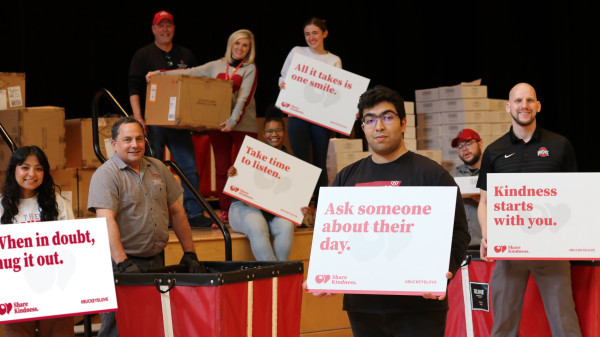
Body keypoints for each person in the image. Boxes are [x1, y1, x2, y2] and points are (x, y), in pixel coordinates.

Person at [329, 86, 470, 336]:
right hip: (364, 307)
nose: (378, 126)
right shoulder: (346, 178)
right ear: (362, 127)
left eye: (387, 117)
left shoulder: (432, 174)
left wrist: (441, 275)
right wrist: (326, 273)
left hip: (420, 307)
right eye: (370, 120)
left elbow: (458, 232)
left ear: (403, 123)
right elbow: (332, 235)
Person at [476, 83, 582, 337]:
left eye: (530, 100)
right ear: (508, 107)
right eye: (518, 100)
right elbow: (485, 201)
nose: (524, 105)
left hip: (552, 250)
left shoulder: (560, 145)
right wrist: (487, 234)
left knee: (565, 323)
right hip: (510, 251)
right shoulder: (494, 151)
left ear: (538, 106)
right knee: (503, 325)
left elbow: (575, 195)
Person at [87, 117, 204, 337]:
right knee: (117, 327)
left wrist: (190, 252)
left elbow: (177, 211)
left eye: (139, 139)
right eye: (127, 139)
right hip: (120, 265)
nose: (135, 144)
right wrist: (122, 262)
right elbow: (105, 220)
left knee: (152, 324)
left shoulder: (158, 167)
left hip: (156, 261)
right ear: (114, 144)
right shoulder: (105, 175)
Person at [146, 29, 258, 224]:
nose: (240, 48)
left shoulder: (250, 69)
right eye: (237, 43)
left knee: (243, 171)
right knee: (223, 169)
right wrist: (160, 74)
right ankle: (226, 212)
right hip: (218, 124)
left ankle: (246, 213)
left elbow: (244, 99)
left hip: (243, 124)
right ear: (231, 44)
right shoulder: (216, 65)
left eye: (245, 45)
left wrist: (232, 121)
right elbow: (190, 72)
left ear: (250, 49)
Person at [128, 10, 210, 227]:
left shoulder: (185, 54)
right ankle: (153, 214)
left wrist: (195, 117)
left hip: (179, 124)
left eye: (169, 25)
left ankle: (193, 213)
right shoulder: (143, 55)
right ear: (153, 29)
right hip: (153, 124)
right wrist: (138, 118)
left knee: (188, 168)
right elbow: (133, 88)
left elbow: (195, 86)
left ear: (173, 28)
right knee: (150, 169)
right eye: (160, 25)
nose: (165, 29)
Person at [1, 146, 75, 337]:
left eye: (39, 168)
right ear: (13, 171)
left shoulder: (58, 203)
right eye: (25, 167)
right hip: (14, 291)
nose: (32, 174)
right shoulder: (1, 206)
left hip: (55, 290)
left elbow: (74, 246)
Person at [227, 106, 308, 261]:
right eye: (269, 131)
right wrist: (234, 174)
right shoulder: (251, 155)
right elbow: (237, 185)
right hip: (245, 207)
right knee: (257, 224)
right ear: (263, 134)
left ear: (284, 133)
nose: (274, 135)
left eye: (278, 131)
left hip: (276, 212)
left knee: (286, 226)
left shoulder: (294, 164)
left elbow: (296, 198)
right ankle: (277, 274)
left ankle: (277, 275)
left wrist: (300, 208)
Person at [278, 17, 342, 202]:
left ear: (325, 33)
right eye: (307, 34)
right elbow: (283, 76)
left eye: (315, 33)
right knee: (300, 161)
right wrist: (283, 84)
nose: (311, 37)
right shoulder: (297, 52)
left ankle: (321, 204)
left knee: (320, 162)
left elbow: (338, 91)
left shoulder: (333, 60)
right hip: (297, 113)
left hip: (321, 117)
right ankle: (301, 204)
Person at [450, 128, 483, 248]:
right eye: (460, 146)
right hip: (462, 245)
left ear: (480, 144)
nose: (464, 149)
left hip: (487, 243)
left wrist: (487, 202)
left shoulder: (494, 171)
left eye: (468, 143)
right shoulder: (454, 174)